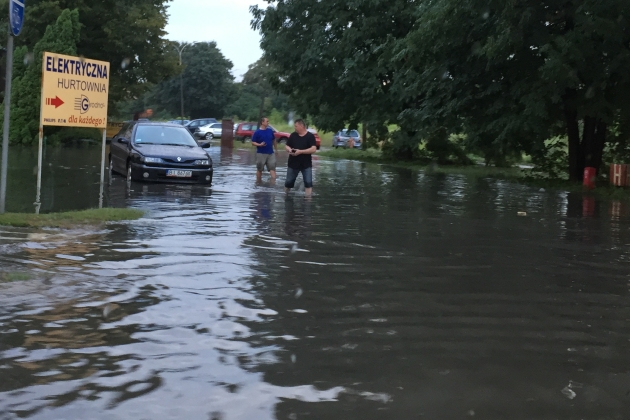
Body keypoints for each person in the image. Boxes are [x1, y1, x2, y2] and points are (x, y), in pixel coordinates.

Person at [285, 119, 317, 196]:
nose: (295, 128)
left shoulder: (310, 136)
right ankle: (286, 196)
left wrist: (300, 151)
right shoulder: (293, 135)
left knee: (308, 183)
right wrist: (289, 150)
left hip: (306, 164)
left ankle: (308, 199)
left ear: (301, 126)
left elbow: (313, 149)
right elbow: (287, 145)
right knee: (288, 183)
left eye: (296, 126)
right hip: (293, 163)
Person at [251, 117, 277, 181]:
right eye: (267, 121)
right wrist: (259, 145)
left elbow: (274, 140)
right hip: (261, 153)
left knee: (272, 168)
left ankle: (273, 183)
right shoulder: (257, 132)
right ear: (262, 122)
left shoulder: (270, 131)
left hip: (270, 153)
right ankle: (258, 182)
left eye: (268, 121)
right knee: (260, 169)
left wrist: (276, 149)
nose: (268, 123)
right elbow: (253, 142)